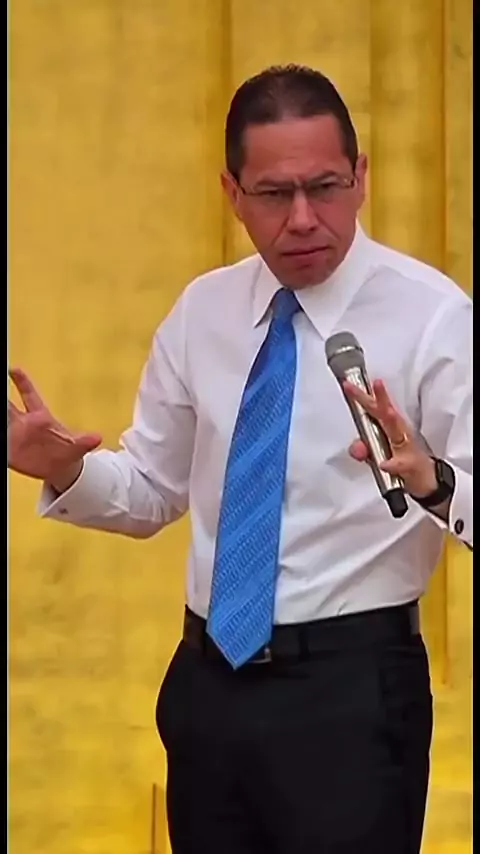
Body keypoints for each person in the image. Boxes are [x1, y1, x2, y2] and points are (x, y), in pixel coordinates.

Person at [8, 64, 472, 854]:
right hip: (209, 687)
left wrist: (434, 483)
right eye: (274, 194)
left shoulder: (434, 318)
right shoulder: (205, 312)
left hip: (351, 696)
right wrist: (62, 467)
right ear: (233, 193)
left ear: (361, 178)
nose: (303, 218)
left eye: (324, 187)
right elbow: (150, 491)